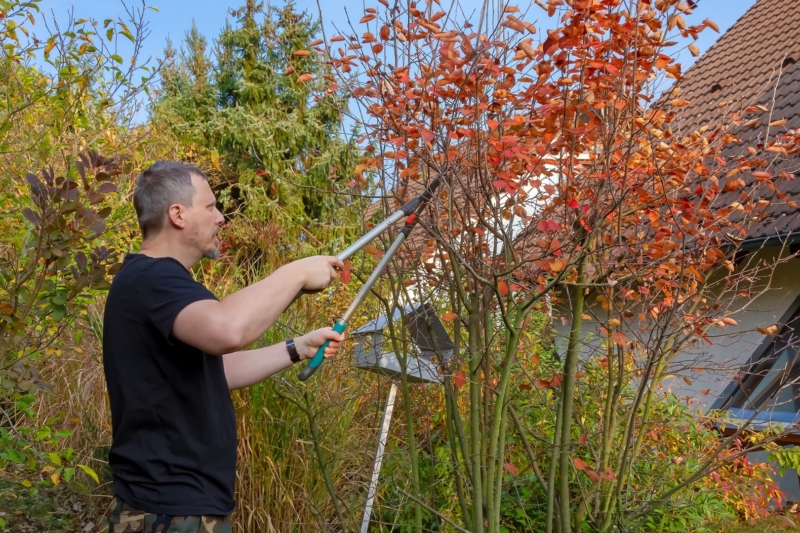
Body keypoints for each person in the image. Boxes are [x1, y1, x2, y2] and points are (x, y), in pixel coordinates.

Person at [102, 161, 344, 532]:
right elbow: (229, 329)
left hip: (179, 509)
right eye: (211, 206)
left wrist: (298, 347)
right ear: (178, 214)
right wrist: (295, 272)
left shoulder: (154, 283)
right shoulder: (154, 277)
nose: (221, 218)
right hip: (167, 510)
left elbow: (215, 371)